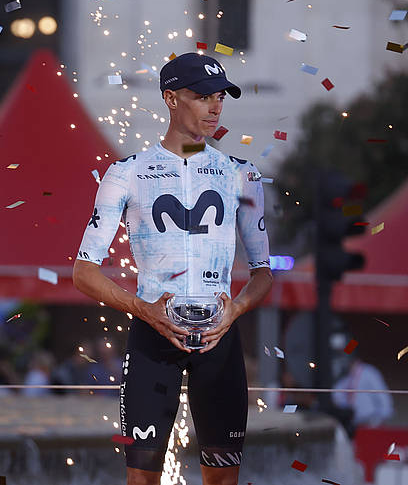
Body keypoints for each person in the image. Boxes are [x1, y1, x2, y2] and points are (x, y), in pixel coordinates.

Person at [73, 52, 273, 485]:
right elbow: (83, 271)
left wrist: (235, 311)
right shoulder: (126, 173)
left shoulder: (242, 174)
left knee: (222, 481)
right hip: (152, 340)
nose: (215, 107)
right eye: (202, 97)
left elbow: (263, 273)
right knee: (142, 480)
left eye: (220, 97)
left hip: (219, 339)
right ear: (170, 98)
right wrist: (142, 309)